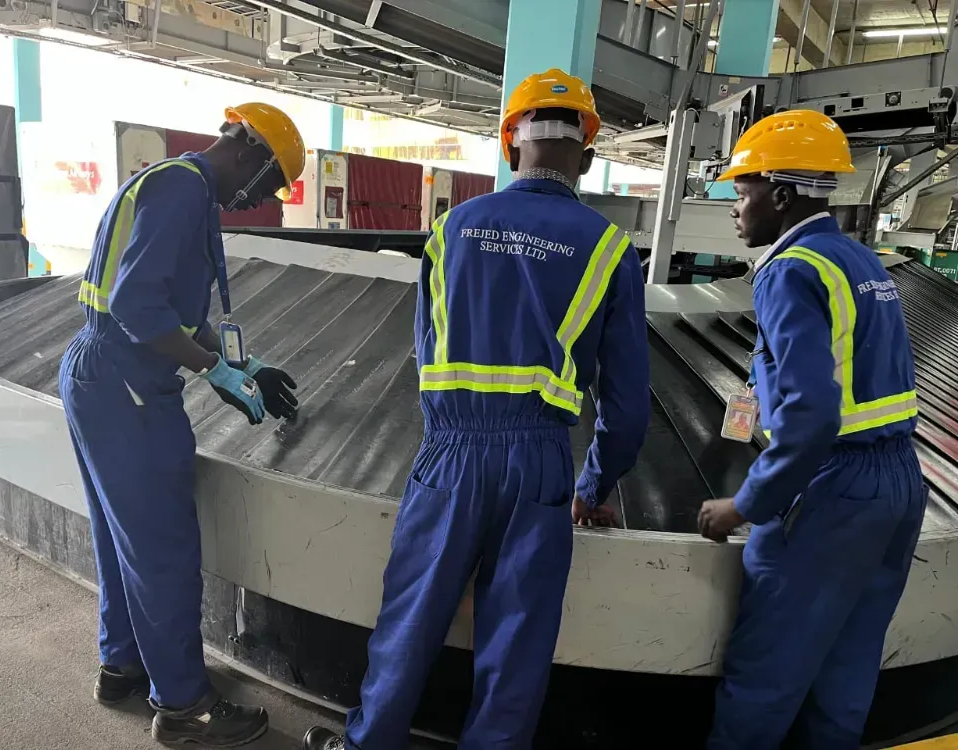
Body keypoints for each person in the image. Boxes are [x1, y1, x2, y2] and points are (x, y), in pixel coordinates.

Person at [304, 68, 650, 750]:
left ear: (508, 145)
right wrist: (595, 483)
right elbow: (627, 402)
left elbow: (425, 349)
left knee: (410, 619)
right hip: (543, 466)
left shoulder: (453, 228)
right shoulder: (610, 249)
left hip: (451, 454)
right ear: (585, 152)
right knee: (515, 646)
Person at [59, 102, 303, 747]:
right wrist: (210, 372)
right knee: (164, 549)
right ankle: (185, 707)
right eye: (270, 182)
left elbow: (162, 302)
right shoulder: (183, 193)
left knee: (123, 540)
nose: (261, 200)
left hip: (99, 371)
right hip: (128, 383)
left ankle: (123, 665)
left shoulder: (168, 181)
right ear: (249, 149)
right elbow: (138, 304)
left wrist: (239, 363)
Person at [697, 110, 927, 749]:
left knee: (766, 673)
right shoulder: (859, 259)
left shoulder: (789, 271)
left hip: (833, 494)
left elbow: (811, 415)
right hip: (898, 485)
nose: (735, 210)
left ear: (780, 193)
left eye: (742, 194)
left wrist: (746, 504)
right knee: (845, 670)